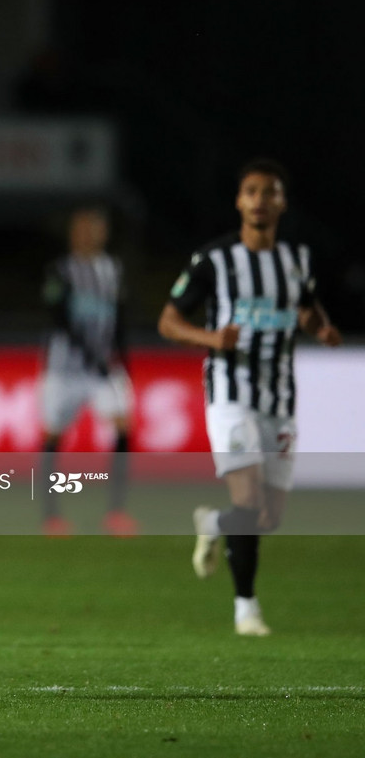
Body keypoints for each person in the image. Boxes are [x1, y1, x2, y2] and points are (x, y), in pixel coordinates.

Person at [159, 158, 341, 637]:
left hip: (279, 396)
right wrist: (211, 338)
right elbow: (168, 321)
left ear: (282, 202)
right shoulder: (213, 260)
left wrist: (319, 326)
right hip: (230, 392)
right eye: (252, 191)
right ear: (239, 201)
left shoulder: (297, 259)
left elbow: (305, 305)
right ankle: (246, 609)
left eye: (270, 192)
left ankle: (214, 522)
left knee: (267, 516)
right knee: (250, 497)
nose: (260, 200)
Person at [37, 205, 136, 536]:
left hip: (104, 367)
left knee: (123, 424)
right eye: (83, 228)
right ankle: (51, 515)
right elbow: (58, 318)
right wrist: (94, 356)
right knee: (53, 434)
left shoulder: (113, 270)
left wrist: (123, 359)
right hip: (65, 368)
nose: (90, 234)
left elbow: (120, 317)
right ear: (73, 234)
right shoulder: (60, 270)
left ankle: (116, 511)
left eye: (95, 228)